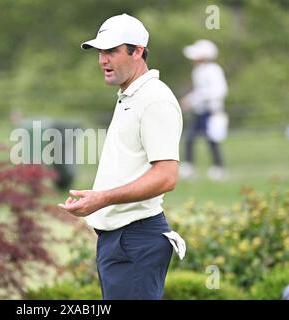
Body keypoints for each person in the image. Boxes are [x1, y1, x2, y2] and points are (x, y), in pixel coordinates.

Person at [58, 13, 184, 300]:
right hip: (121, 240)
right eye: (100, 52)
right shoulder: (130, 95)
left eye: (112, 51)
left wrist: (102, 198)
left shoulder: (155, 100)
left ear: (137, 51)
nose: (103, 60)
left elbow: (166, 176)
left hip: (136, 239)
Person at [179, 39, 228, 181]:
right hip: (200, 112)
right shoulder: (198, 71)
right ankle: (188, 166)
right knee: (189, 138)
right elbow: (200, 91)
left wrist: (192, 100)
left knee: (212, 140)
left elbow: (219, 91)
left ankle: (218, 168)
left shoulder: (214, 70)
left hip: (212, 111)